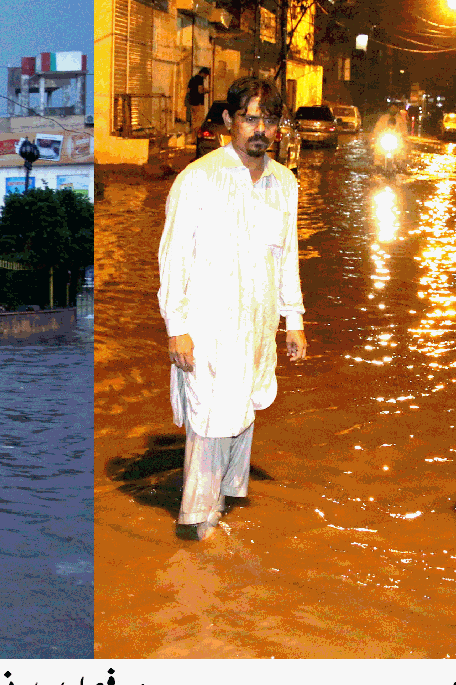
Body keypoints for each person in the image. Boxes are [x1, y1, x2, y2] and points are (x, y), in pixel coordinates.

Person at [158, 76, 308, 541]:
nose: (260, 129)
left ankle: (224, 505)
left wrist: (294, 321)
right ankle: (197, 524)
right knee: (209, 421)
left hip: (258, 327)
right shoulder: (198, 179)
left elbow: (287, 256)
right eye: (250, 117)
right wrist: (177, 327)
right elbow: (173, 256)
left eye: (270, 119)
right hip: (207, 327)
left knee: (244, 411)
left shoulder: (284, 184)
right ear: (229, 120)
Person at [185, 67, 210, 134]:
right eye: (206, 75)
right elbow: (200, 91)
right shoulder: (199, 79)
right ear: (203, 73)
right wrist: (207, 90)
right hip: (198, 103)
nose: (205, 77)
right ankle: (197, 138)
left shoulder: (192, 79)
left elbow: (189, 90)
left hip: (192, 103)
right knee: (198, 123)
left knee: (194, 122)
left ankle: (193, 138)